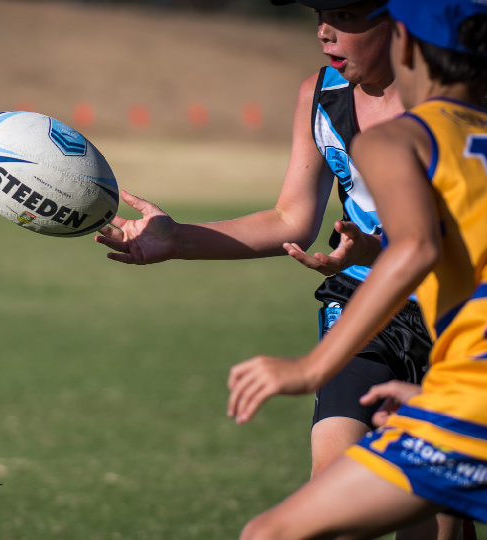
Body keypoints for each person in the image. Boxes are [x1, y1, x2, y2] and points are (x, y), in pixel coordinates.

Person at [96, 1, 470, 538]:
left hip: (460, 321)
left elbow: (433, 245)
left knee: (432, 524)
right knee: (331, 502)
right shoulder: (320, 95)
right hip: (366, 310)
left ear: (402, 21)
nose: (323, 30)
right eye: (319, 12)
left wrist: (378, 252)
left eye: (344, 13)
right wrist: (177, 239)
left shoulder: (462, 104)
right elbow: (291, 220)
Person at [227, 0, 487, 537]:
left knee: (270, 533)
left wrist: (310, 368)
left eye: (344, 13)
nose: (325, 30)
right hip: (459, 381)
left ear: (404, 43)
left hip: (470, 396)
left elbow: (415, 248)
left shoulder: (399, 140)